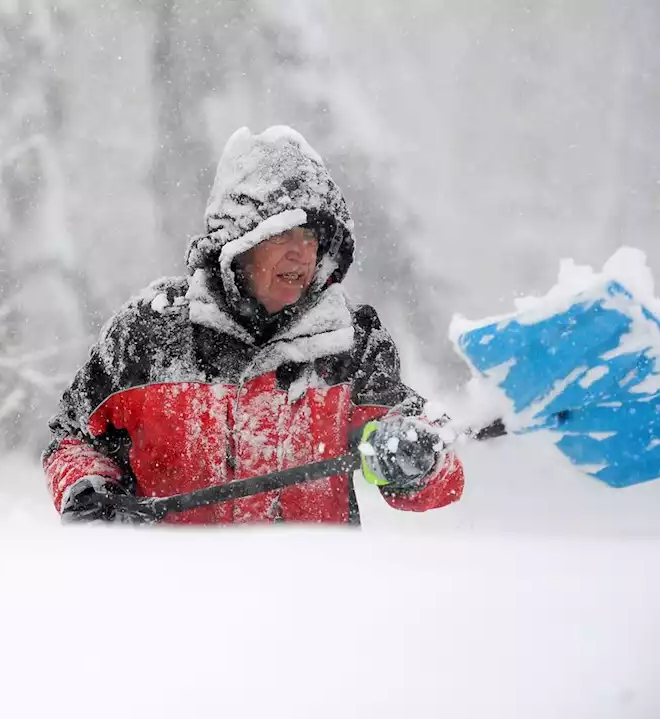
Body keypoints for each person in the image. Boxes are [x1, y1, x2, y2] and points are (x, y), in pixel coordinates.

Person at [44, 126, 464, 525]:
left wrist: (416, 459)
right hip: (169, 593)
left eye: (313, 238)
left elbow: (431, 454)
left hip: (313, 595)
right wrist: (87, 489)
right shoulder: (149, 334)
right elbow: (72, 437)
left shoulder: (350, 343)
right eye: (286, 235)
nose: (303, 254)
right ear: (237, 243)